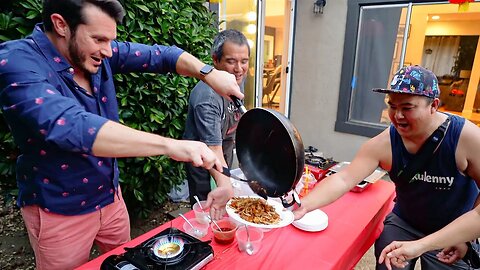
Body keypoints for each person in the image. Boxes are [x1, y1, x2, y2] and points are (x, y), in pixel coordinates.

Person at [0, 0, 244, 269]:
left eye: (111, 40)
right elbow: (71, 125)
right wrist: (171, 145)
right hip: (59, 210)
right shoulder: (17, 62)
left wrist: (209, 73)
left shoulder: (96, 51)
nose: (108, 51)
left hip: (110, 198)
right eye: (99, 39)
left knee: (127, 263)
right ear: (61, 25)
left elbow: (163, 55)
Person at [292, 65, 480, 269]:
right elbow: (344, 178)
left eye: (407, 108)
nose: (397, 115)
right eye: (392, 106)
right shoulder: (385, 144)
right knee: (388, 261)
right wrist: (304, 205)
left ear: (433, 105)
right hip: (406, 221)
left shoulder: (466, 139)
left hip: (454, 230)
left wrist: (457, 239)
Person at [183, 29, 249, 210]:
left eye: (244, 61)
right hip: (202, 158)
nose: (239, 68)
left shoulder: (236, 79)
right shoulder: (207, 99)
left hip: (224, 149)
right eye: (231, 61)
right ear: (215, 60)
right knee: (206, 206)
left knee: (225, 202)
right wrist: (225, 185)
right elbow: (212, 149)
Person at [379, 207, 480, 269]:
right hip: (405, 218)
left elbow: (477, 216)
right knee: (389, 262)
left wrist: (462, 236)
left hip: (455, 224)